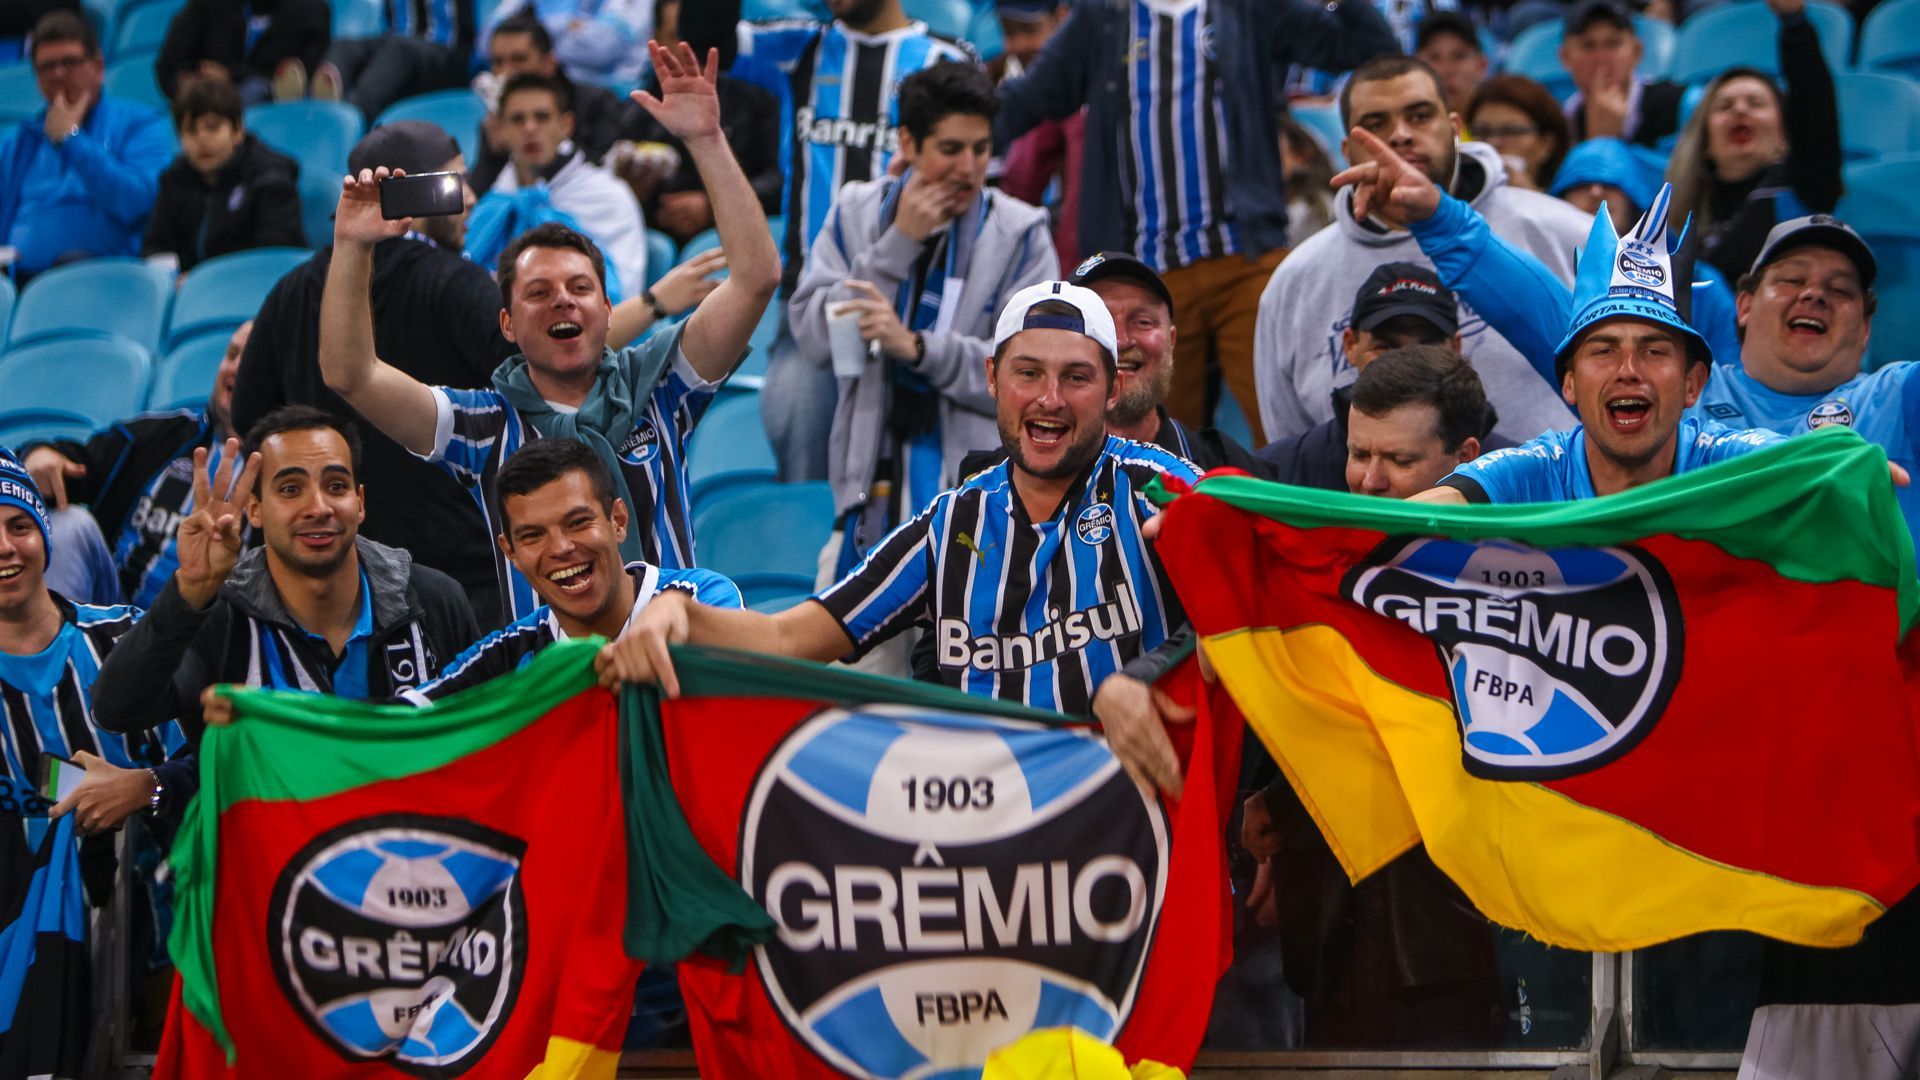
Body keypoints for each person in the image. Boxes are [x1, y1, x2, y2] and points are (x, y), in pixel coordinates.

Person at [319, 40, 778, 622]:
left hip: (675, 662)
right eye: (538, 293)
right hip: (554, 684)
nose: (563, 299)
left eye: (581, 289)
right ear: (506, 325)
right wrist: (351, 245)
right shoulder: (484, 426)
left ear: (609, 311)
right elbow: (350, 373)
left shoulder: (662, 385)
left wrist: (707, 141)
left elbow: (756, 279)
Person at [598, 281, 1203, 717]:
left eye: (1076, 377)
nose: (1049, 399)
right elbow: (789, 639)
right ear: (993, 377)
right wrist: (680, 613)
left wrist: (1142, 680)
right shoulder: (950, 523)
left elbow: (1252, 606)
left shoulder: (1158, 484)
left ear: (1113, 388)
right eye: (1027, 373)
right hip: (1000, 846)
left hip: (1138, 838)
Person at [991, 0, 1399, 448]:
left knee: (1294, 429)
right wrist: (941, 124)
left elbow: (1370, 48)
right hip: (1145, 278)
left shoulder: (1249, 10)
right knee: (1144, 448)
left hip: (1248, 259)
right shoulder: (1103, 18)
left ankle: (1301, 519)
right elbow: (1026, 101)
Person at [676, 0, 974, 482]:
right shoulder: (801, 47)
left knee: (913, 482)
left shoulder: (945, 61)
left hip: (916, 307)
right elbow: (703, 42)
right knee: (807, 474)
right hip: (815, 307)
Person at [231, 120, 514, 627]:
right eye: (452, 182)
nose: (469, 197)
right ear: (415, 194)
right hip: (469, 585)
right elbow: (536, 388)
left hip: (341, 585)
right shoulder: (459, 283)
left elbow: (252, 420)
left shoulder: (290, 291)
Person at [787, 59, 1055, 578]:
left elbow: (1031, 372)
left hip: (984, 509)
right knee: (856, 660)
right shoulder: (856, 213)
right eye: (950, 149)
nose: (968, 168)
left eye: (980, 149)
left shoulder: (1021, 234)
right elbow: (816, 340)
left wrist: (917, 348)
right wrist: (895, 248)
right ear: (908, 143)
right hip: (869, 495)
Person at [1256, 56, 1589, 449]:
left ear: (1454, 129)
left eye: (1419, 116)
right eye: (1376, 125)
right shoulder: (1294, 282)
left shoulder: (1563, 232)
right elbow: (1294, 444)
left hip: (1549, 504)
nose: (1399, 136)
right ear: (1346, 149)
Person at [90, 408, 479, 738]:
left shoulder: (433, 600)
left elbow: (481, 736)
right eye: (291, 489)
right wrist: (190, 591)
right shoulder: (220, 620)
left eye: (336, 485)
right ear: (254, 511)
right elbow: (117, 709)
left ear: (359, 503)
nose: (319, 507)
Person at [400, 438, 742, 702]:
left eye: (578, 523)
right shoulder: (510, 653)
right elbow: (400, 724)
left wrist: (674, 616)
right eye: (533, 535)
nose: (561, 548)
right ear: (512, 553)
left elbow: (747, 668)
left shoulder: (701, 595)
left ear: (618, 521)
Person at [0, 447, 193, 837]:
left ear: (44, 535)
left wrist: (147, 787)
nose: (4, 546)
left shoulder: (127, 639)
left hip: (152, 885)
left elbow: (214, 767)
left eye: (20, 527)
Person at [22, 322, 250, 608]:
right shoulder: (157, 437)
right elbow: (77, 461)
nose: (236, 367)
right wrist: (39, 455)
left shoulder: (290, 466)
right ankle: (59, 651)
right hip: (115, 622)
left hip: (217, 634)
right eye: (231, 355)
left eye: (251, 357)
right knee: (68, 524)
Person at [1257, 263, 1509, 490]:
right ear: (1350, 344)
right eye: (1385, 346)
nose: (1372, 481)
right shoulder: (1276, 476)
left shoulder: (1524, 482)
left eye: (1401, 460)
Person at [1665, 0, 1840, 281]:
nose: (1740, 109)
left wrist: (1794, 23)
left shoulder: (1801, 187)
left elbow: (1814, 107)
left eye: (1756, 103)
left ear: (1784, 134)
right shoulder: (1683, 220)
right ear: (1705, 141)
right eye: (1725, 106)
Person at [0, 10, 172, 278]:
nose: (58, 74)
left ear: (98, 66)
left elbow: (138, 203)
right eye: (47, 66)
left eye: (70, 62)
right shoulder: (20, 143)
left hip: (103, 278)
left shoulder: (139, 124)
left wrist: (71, 139)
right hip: (19, 281)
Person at [611, 0, 782, 245]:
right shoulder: (635, 111)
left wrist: (709, 206)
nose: (687, 48)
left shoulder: (755, 103)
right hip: (654, 236)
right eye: (677, 36)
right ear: (656, 39)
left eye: (696, 36)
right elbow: (610, 192)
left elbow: (779, 180)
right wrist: (635, 193)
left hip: (737, 232)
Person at [469, 72, 650, 301]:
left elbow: (622, 297)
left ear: (566, 125)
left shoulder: (608, 197)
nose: (530, 128)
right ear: (501, 129)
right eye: (517, 119)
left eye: (542, 117)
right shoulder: (495, 200)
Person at [143, 79, 304, 269]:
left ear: (237, 130)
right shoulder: (175, 178)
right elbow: (157, 246)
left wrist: (202, 282)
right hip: (193, 292)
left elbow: (272, 260)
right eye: (191, 130)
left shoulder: (270, 177)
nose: (202, 140)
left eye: (212, 127)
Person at [470, 12, 626, 193]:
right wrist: (495, 155)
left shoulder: (597, 103)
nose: (506, 72)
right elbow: (480, 203)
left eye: (519, 59)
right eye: (498, 62)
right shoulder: (497, 120)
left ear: (549, 63)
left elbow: (605, 176)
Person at [990, 0, 1080, 276]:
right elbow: (1022, 183)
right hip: (1070, 265)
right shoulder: (1002, 81)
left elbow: (1024, 180)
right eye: (1008, 32)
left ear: (1062, 19)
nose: (1017, 45)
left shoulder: (1059, 90)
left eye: (1028, 30)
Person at [314, 0, 478, 122]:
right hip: (397, 43)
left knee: (399, 49)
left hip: (449, 55)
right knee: (345, 46)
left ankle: (352, 113)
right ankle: (320, 102)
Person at [1558, 0, 1686, 149]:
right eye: (1588, 46)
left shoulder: (1678, 104)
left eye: (1613, 44)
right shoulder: (1560, 122)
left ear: (1637, 51)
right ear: (1564, 57)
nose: (1602, 58)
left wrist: (1603, 144)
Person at [151, 0, 331, 103]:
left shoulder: (312, 12)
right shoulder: (204, 6)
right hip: (205, 97)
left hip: (267, 94)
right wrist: (187, 82)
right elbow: (167, 66)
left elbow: (301, 72)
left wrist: (230, 76)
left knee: (257, 89)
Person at [482, 0, 652, 89]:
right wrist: (566, 25)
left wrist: (535, 32)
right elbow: (486, 42)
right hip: (548, 95)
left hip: (616, 100)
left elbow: (600, 48)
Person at [1463, 74, 1569, 191]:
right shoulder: (1456, 203)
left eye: (1511, 131)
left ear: (1546, 145)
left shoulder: (1571, 201)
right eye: (1482, 131)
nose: (1493, 142)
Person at [1412, 10, 1488, 109]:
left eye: (1458, 56)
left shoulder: (1499, 121)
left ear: (1481, 66)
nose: (1446, 70)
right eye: (1434, 57)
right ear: (1415, 68)